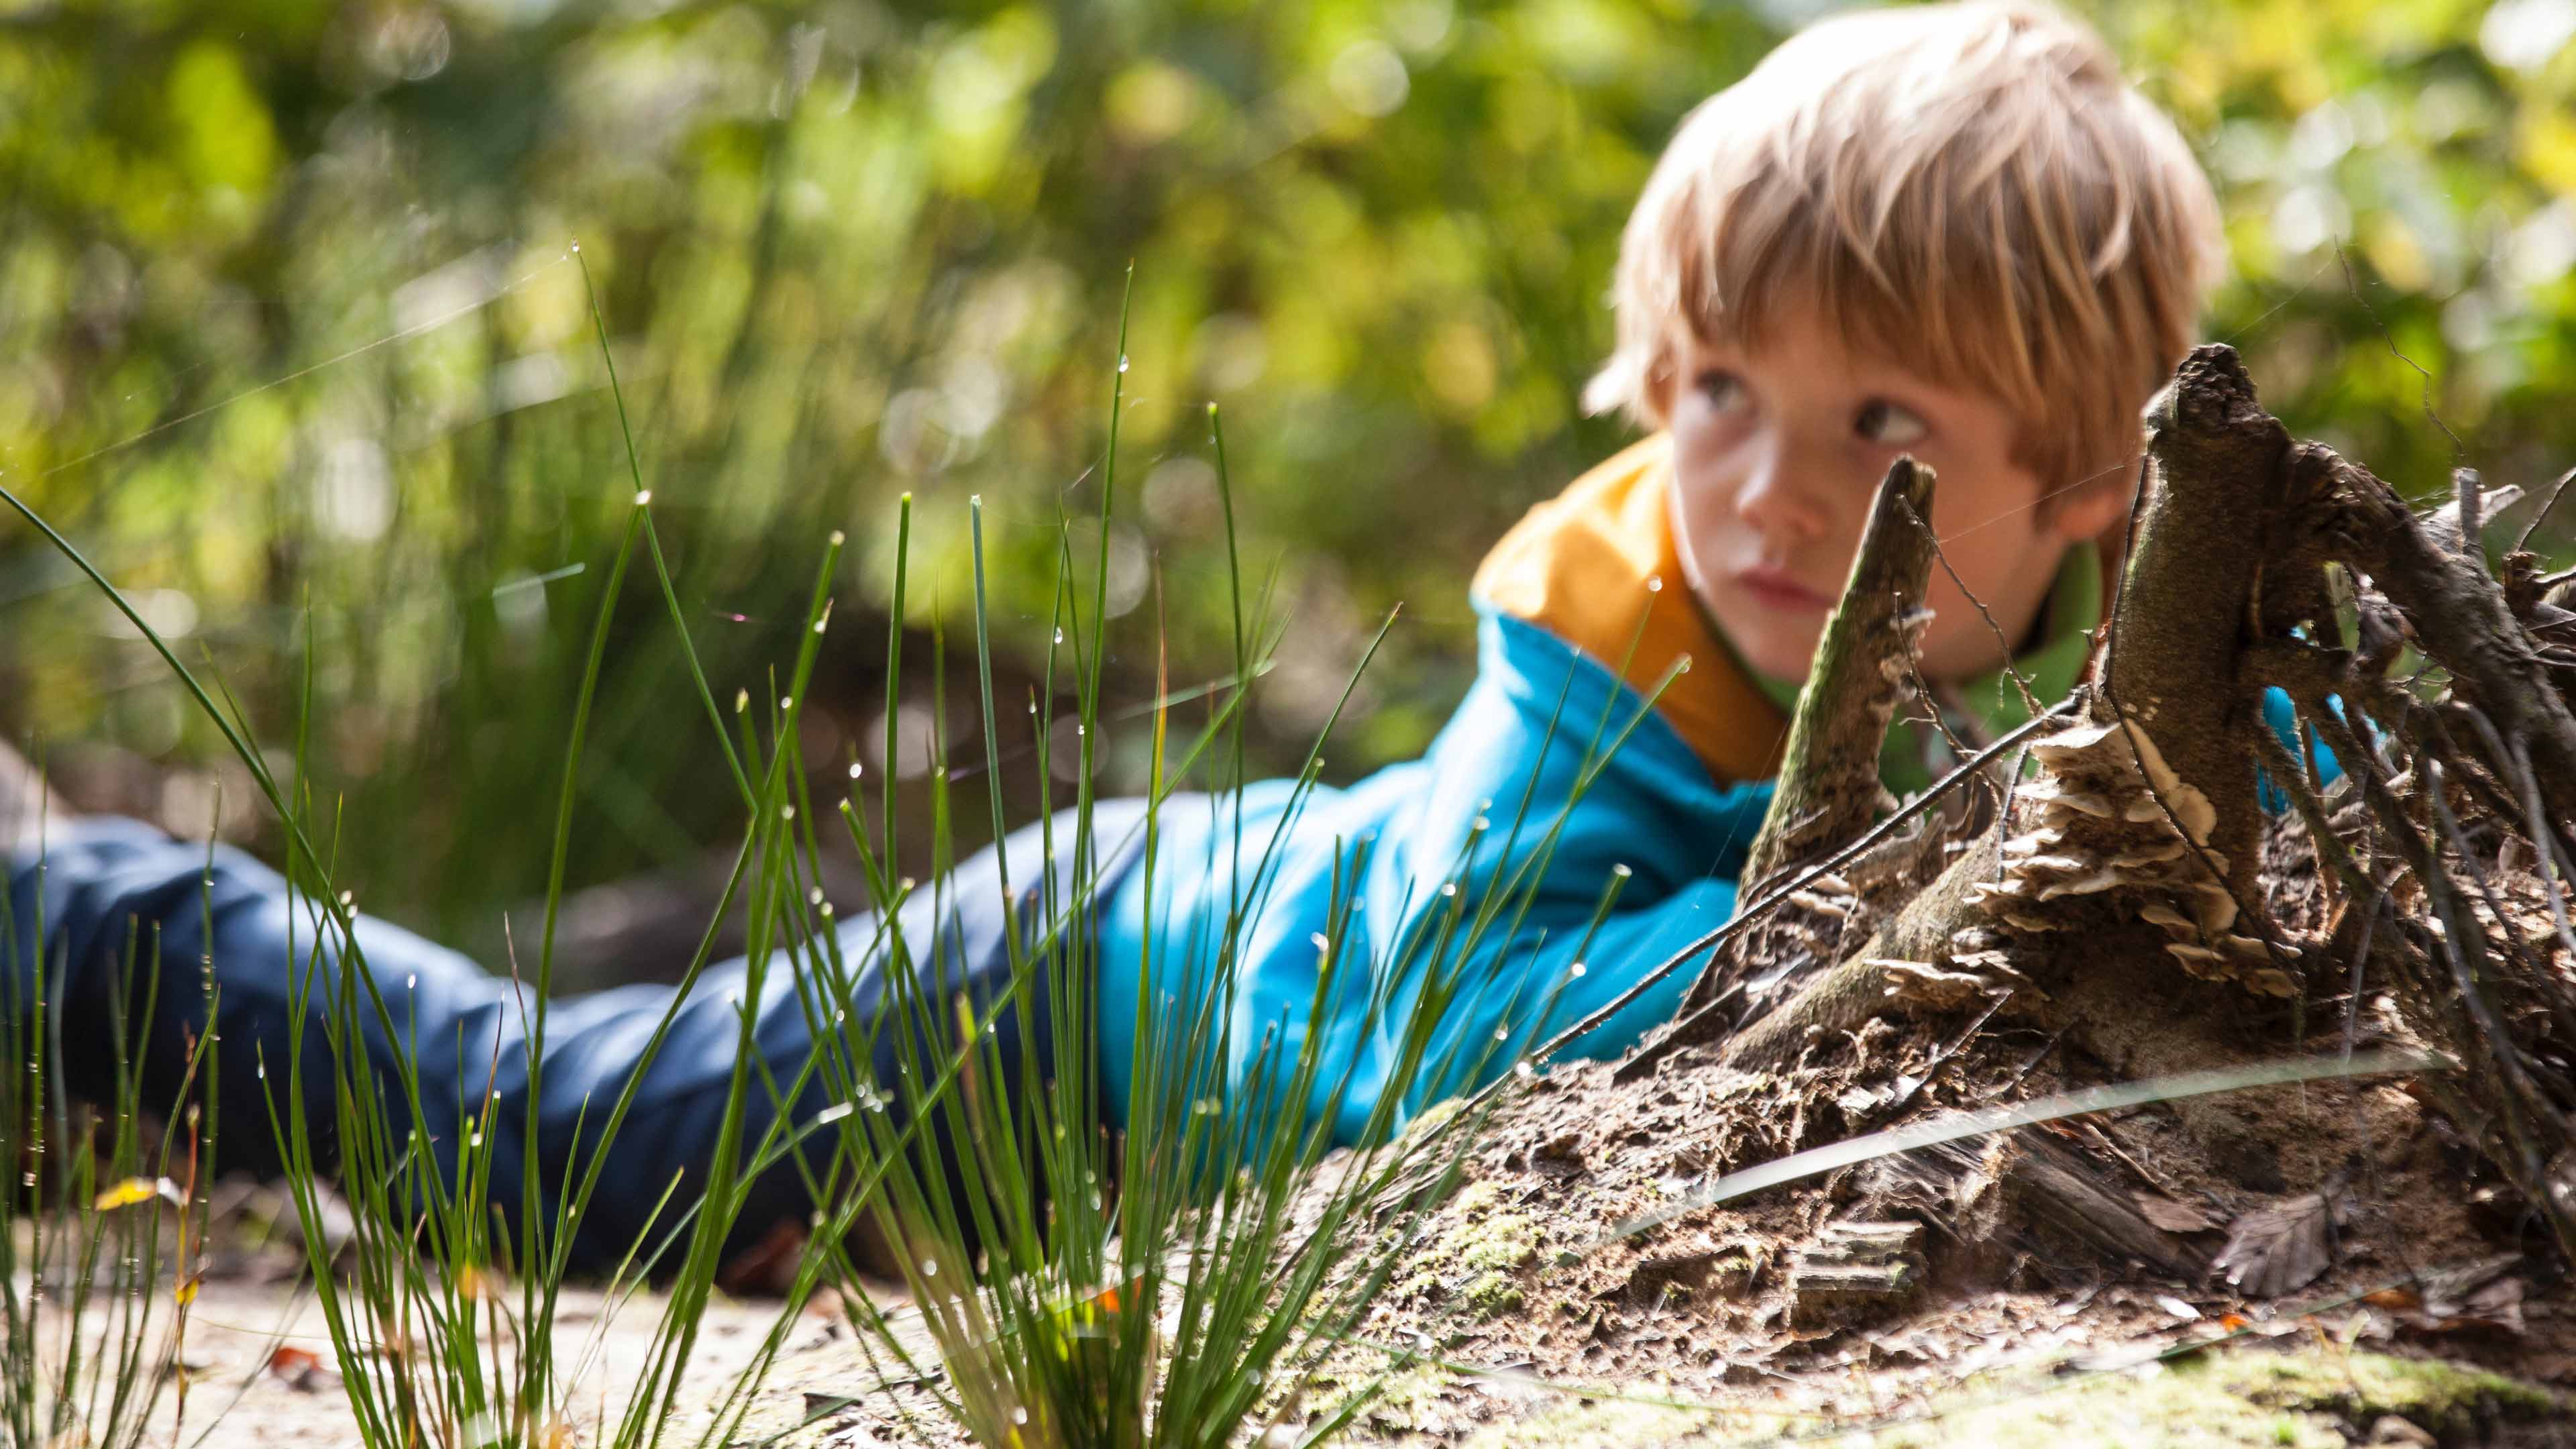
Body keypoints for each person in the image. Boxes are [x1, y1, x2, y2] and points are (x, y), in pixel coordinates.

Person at [1, 2, 2225, 1271]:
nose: (1768, 487)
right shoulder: (1610, 647)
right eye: (1723, 390)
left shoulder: (2095, 678)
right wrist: (1916, 919)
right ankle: (79, 916)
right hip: (1080, 987)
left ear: (2086, 491)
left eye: (1887, 428)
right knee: (547, 1142)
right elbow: (1451, 1031)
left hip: (1172, 956)